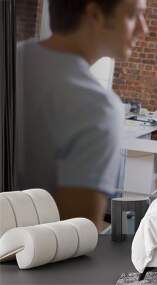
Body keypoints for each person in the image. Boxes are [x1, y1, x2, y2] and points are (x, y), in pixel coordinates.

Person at [15, 0, 149, 231]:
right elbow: (72, 238)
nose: (143, 28)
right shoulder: (97, 108)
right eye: (132, 15)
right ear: (95, 14)